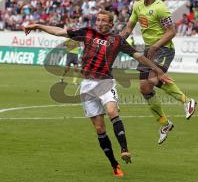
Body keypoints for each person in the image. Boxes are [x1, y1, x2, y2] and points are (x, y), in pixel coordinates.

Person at [23, 10, 173, 177]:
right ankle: (114, 164)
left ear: (111, 24)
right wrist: (37, 26)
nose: (100, 22)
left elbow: (139, 57)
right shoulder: (87, 32)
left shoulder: (117, 40)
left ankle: (124, 149)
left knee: (112, 111)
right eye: (98, 19)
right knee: (100, 128)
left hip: (105, 82)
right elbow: (59, 31)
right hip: (87, 85)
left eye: (104, 20)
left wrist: (158, 71)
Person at [121, 0, 197, 144]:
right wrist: (117, 39)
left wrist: (155, 46)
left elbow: (171, 31)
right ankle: (165, 123)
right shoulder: (138, 6)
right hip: (149, 50)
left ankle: (187, 101)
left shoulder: (160, 8)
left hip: (163, 49)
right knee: (144, 88)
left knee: (153, 78)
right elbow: (128, 27)